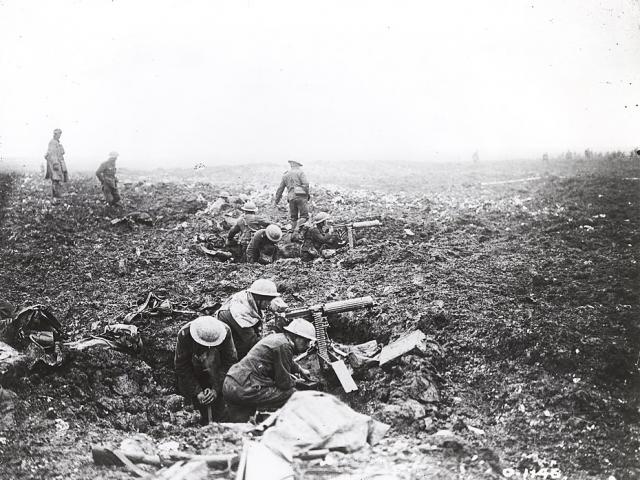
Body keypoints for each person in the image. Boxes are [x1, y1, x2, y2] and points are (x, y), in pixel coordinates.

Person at [222, 318, 315, 421]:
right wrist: (296, 382)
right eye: (305, 341)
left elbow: (284, 360)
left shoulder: (279, 339)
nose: (307, 346)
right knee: (292, 394)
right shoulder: (284, 346)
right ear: (295, 336)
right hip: (245, 388)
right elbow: (284, 383)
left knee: (240, 424)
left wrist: (299, 370)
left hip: (231, 383)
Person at [174, 316, 237, 425]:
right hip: (193, 368)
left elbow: (230, 362)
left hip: (215, 367)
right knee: (190, 407)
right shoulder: (185, 334)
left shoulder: (225, 332)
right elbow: (182, 366)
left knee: (222, 408)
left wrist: (216, 389)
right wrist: (197, 391)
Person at [216, 279, 284, 360]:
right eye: (268, 300)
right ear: (260, 298)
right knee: (248, 350)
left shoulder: (251, 298)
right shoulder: (240, 311)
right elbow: (253, 342)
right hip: (224, 338)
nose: (269, 303)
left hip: (236, 329)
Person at [274, 160, 309, 237]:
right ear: (297, 165)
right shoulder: (300, 172)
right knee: (304, 216)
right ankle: (297, 232)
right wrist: (307, 195)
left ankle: (292, 235)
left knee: (293, 218)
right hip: (301, 196)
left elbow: (280, 189)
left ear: (291, 165)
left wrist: (276, 201)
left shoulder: (285, 175)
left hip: (291, 198)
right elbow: (306, 184)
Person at [44, 128, 68, 199]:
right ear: (55, 134)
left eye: (60, 134)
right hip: (55, 163)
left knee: (57, 178)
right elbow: (52, 154)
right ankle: (56, 194)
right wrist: (55, 164)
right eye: (58, 134)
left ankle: (56, 194)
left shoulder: (56, 142)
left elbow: (62, 152)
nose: (59, 135)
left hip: (58, 162)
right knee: (56, 179)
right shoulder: (53, 142)